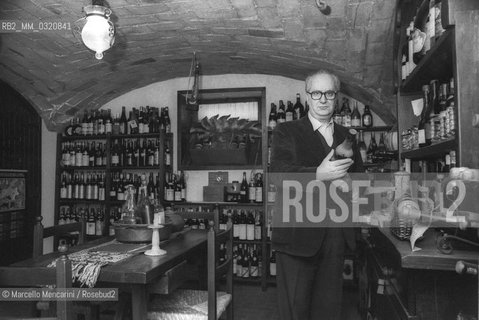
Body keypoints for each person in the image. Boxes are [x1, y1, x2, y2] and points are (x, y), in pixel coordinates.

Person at [270, 69, 363, 320]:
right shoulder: (286, 131)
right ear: (307, 96)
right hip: (295, 239)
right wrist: (318, 175)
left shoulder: (347, 136)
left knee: (328, 311)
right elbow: (278, 175)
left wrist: (353, 189)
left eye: (329, 93)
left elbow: (360, 179)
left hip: (334, 237)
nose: (323, 99)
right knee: (295, 312)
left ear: (337, 98)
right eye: (316, 93)